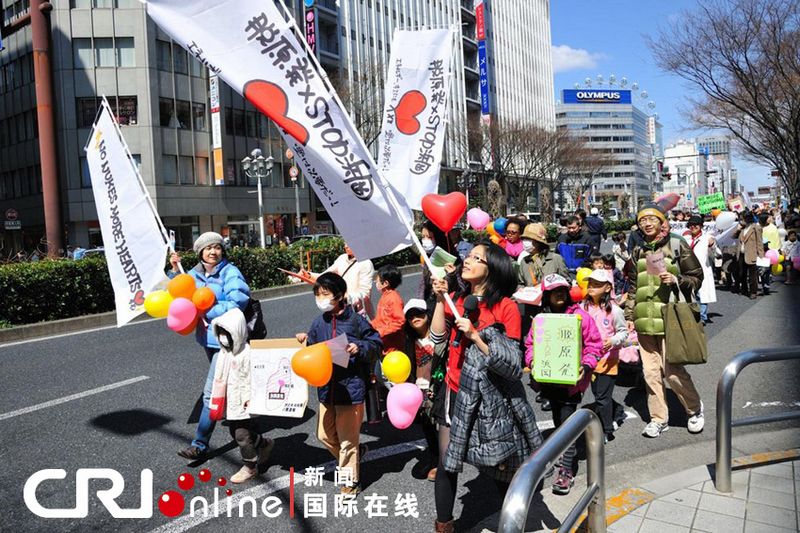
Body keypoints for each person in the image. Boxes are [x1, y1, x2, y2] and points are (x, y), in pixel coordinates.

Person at [429, 241, 534, 532]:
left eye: (477, 258)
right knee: (447, 460)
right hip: (455, 390)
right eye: (469, 255)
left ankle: (513, 524)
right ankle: (444, 524)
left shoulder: (507, 307)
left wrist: (476, 336)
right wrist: (439, 300)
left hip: (492, 399)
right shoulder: (456, 300)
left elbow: (513, 365)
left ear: (493, 269)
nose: (467, 260)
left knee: (501, 465)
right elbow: (437, 341)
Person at [295, 273, 383, 498]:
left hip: (351, 387)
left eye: (325, 294)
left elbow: (375, 343)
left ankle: (350, 481)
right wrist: (305, 339)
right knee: (324, 435)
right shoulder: (319, 321)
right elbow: (314, 348)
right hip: (327, 388)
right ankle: (356, 453)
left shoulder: (355, 320)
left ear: (340, 295)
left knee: (346, 440)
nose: (320, 299)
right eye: (317, 294)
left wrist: (359, 348)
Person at [624, 203, 705, 438]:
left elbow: (696, 276)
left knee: (672, 372)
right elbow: (632, 285)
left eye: (652, 219)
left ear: (661, 222)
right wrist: (630, 315)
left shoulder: (677, 244)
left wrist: (677, 278)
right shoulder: (638, 249)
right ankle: (659, 419)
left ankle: (694, 410)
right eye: (642, 221)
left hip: (670, 318)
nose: (647, 224)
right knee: (650, 373)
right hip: (644, 320)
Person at [170, 232, 252, 461]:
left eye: (217, 247)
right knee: (225, 388)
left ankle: (199, 445)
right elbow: (179, 292)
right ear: (200, 252)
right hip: (207, 339)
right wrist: (175, 270)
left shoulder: (230, 272)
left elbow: (238, 301)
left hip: (227, 341)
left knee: (212, 394)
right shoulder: (194, 274)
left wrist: (207, 308)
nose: (213, 252)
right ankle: (257, 440)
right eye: (208, 248)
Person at [526, 274, 602, 494]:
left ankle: (566, 470)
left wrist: (586, 366)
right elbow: (530, 345)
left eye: (562, 289)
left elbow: (594, 346)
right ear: (546, 295)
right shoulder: (540, 319)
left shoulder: (581, 317)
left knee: (566, 425)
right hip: (548, 381)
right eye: (553, 291)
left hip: (571, 382)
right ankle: (559, 459)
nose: (558, 294)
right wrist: (532, 361)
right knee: (558, 421)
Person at [209, 308, 274, 483]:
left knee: (241, 435)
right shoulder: (224, 353)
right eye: (220, 332)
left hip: (244, 402)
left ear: (236, 332)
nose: (222, 336)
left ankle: (250, 468)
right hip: (231, 401)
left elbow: (251, 379)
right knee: (235, 431)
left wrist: (249, 399)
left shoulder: (247, 353)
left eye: (226, 332)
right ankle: (265, 444)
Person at [581, 270, 628, 442]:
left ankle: (607, 430)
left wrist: (613, 340)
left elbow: (624, 332)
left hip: (607, 359)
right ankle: (617, 411)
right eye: (590, 283)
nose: (591, 286)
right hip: (588, 358)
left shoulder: (614, 310)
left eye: (597, 284)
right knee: (599, 394)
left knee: (601, 396)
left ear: (608, 288)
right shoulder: (582, 307)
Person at [402, 298, 444, 482]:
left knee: (441, 428)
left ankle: (442, 464)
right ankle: (436, 460)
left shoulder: (439, 335)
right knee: (427, 428)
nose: (415, 318)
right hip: (418, 388)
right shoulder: (409, 341)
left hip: (438, 387)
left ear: (428, 314)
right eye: (410, 316)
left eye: (419, 313)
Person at [302, 243, 375, 318]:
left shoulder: (366, 263)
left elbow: (365, 293)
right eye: (345, 243)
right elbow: (326, 275)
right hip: (340, 308)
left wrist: (345, 297)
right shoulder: (342, 258)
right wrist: (309, 275)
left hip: (359, 311)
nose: (346, 246)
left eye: (349, 243)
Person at [686, 215, 718, 323]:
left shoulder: (707, 238)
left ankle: (702, 316)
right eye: (691, 225)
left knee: (702, 294)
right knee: (691, 294)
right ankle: (693, 314)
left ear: (700, 226)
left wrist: (712, 245)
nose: (693, 227)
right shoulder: (686, 239)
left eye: (696, 225)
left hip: (702, 270)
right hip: (688, 270)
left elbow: (716, 254)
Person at [371, 264, 405, 355]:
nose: (375, 282)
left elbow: (399, 321)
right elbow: (380, 319)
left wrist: (380, 331)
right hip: (384, 342)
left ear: (385, 283)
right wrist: (370, 326)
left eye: (377, 280)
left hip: (392, 345)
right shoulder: (385, 296)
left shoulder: (394, 298)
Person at [733, 210, 764, 300]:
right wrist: (738, 229)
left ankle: (753, 292)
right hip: (741, 254)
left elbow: (759, 242)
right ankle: (744, 289)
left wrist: (761, 256)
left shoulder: (756, 228)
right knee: (742, 273)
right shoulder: (742, 228)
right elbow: (733, 236)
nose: (740, 220)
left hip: (752, 254)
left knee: (752, 275)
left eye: (742, 218)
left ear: (747, 218)